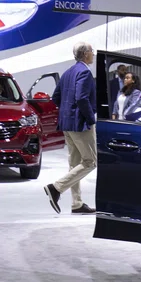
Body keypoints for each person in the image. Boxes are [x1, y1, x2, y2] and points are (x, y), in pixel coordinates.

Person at [44, 42, 97, 215]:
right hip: (80, 124)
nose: (94, 54)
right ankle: (56, 188)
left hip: (67, 123)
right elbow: (82, 98)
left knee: (75, 163)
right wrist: (90, 118)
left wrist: (67, 111)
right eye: (91, 51)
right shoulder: (84, 72)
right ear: (85, 54)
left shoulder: (68, 72)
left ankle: (77, 203)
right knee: (90, 161)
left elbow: (56, 97)